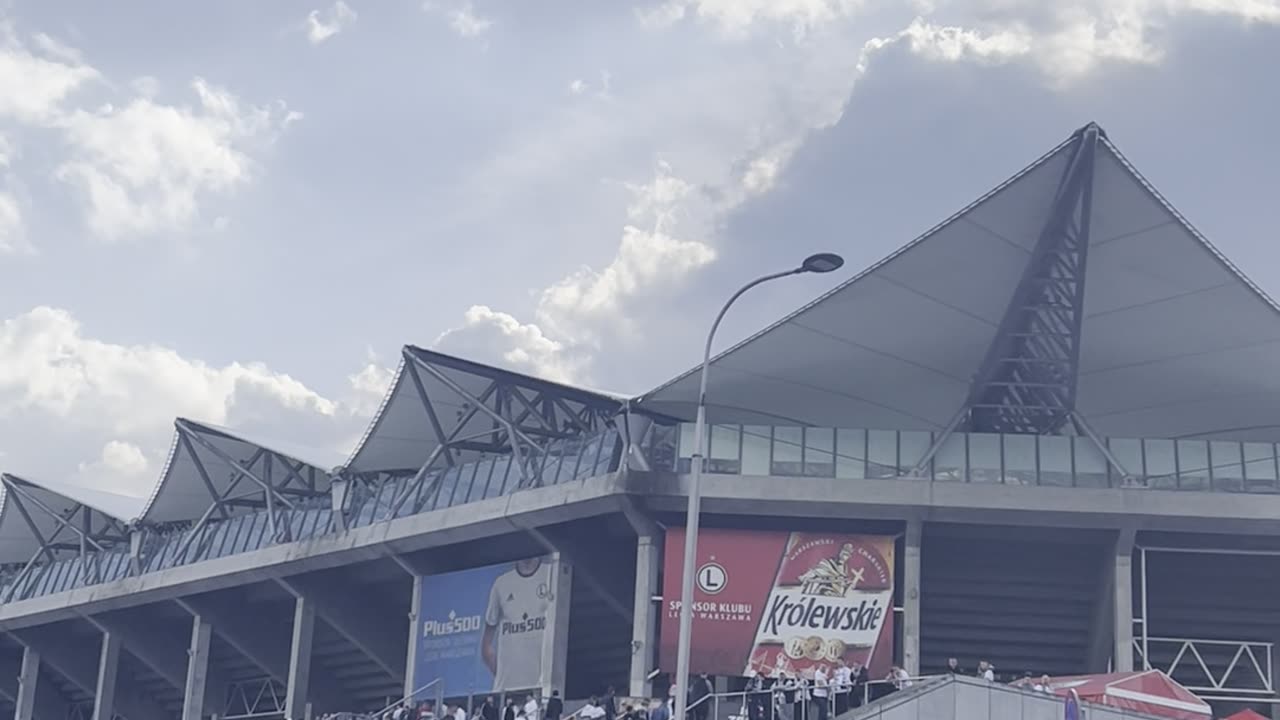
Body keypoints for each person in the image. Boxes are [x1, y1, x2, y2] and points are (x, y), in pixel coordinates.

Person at [481, 557, 552, 691]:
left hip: (541, 689)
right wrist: (503, 675)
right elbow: (486, 645)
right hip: (505, 691)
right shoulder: (501, 583)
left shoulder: (552, 574)